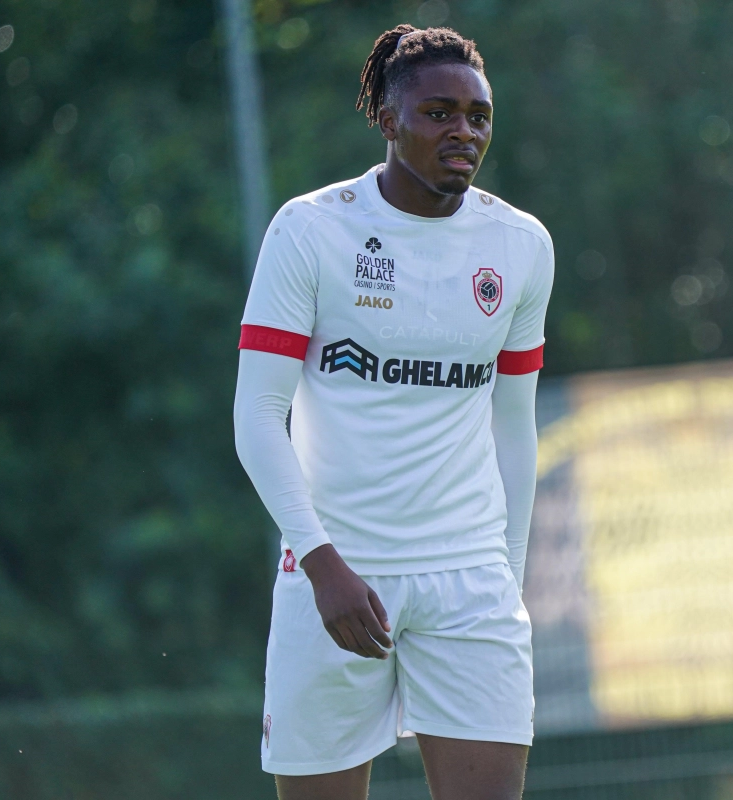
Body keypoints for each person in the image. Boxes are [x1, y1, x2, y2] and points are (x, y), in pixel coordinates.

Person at [233, 23, 554, 800]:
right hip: (335, 575)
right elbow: (256, 414)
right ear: (387, 117)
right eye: (439, 112)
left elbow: (514, 426)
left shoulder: (521, 245)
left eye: (477, 116)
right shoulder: (310, 230)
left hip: (468, 581)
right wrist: (320, 562)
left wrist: (505, 578)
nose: (463, 132)